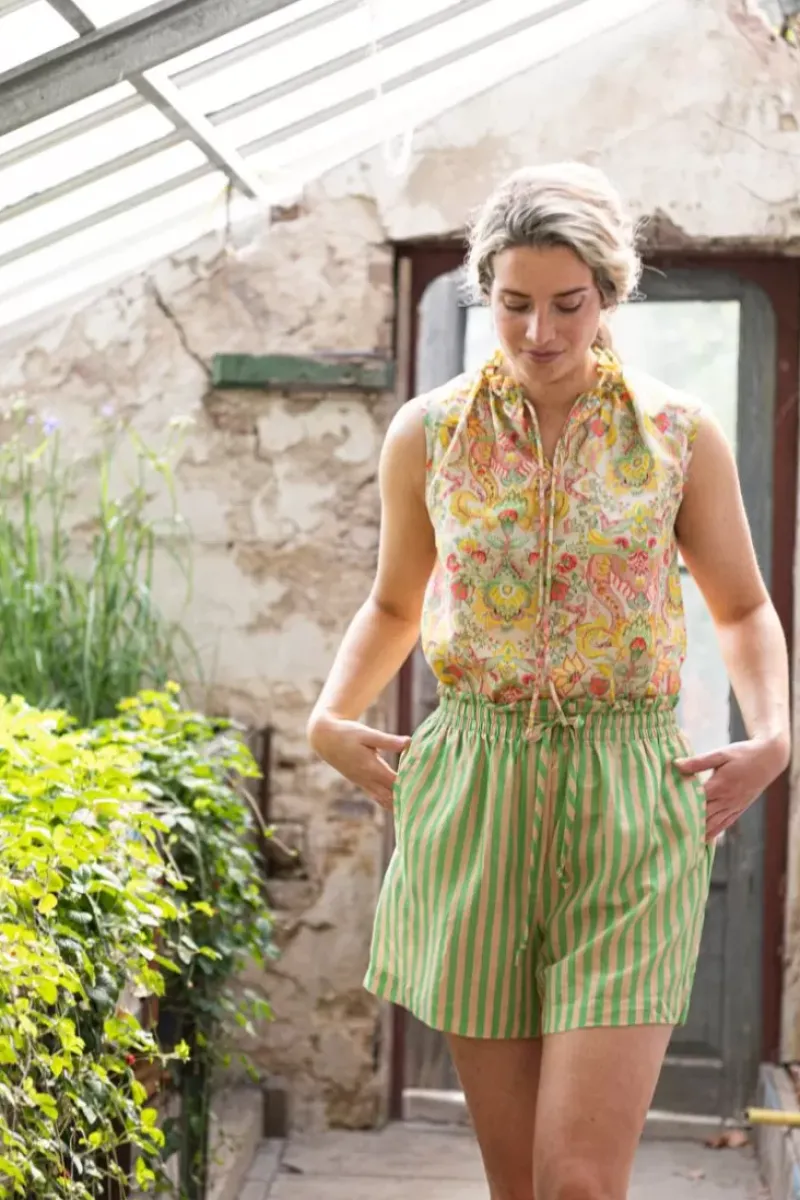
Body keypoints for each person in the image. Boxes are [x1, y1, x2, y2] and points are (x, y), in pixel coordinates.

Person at [307, 162, 790, 1200]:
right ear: (485, 292)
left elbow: (743, 607)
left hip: (629, 801)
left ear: (608, 294)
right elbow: (392, 604)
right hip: (475, 793)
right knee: (520, 1186)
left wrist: (774, 734)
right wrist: (329, 718)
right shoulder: (428, 433)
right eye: (514, 303)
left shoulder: (677, 435)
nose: (538, 332)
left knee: (578, 1182)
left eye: (567, 304)